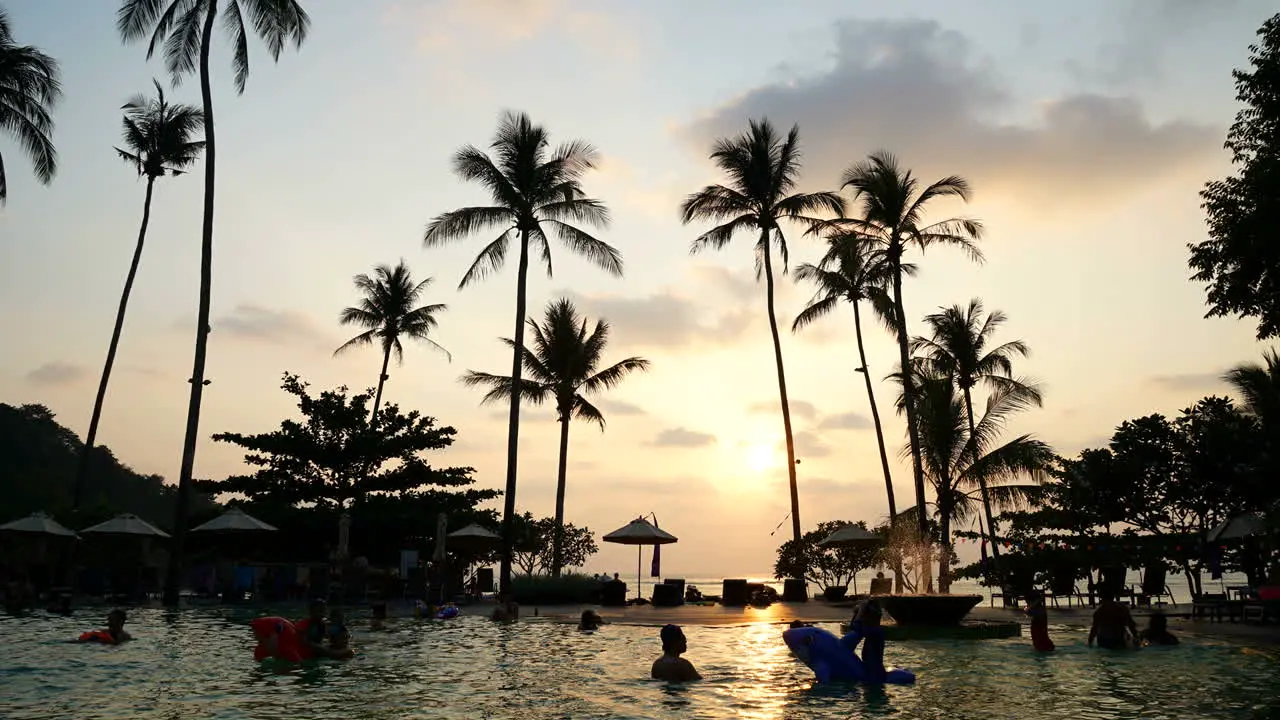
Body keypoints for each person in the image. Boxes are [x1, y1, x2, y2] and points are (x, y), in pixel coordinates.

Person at [855, 600, 888, 683]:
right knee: (877, 660)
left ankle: (872, 681)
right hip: (878, 635)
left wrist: (857, 612)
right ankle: (879, 678)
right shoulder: (877, 612)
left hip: (871, 636)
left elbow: (855, 625)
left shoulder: (865, 614)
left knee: (868, 659)